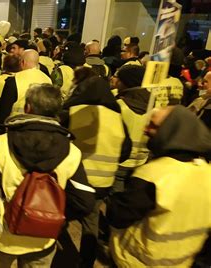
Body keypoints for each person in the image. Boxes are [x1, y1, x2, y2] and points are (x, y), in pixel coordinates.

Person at [0, 83, 95, 268]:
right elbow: (85, 201)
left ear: (28, 107)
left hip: (3, 233)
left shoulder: (2, 143)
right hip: (44, 235)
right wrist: (56, 213)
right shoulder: (72, 151)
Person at [106, 105, 211, 267]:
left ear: (172, 131)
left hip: (136, 261)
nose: (146, 130)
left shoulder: (154, 174)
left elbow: (118, 216)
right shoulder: (206, 173)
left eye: (154, 126)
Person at [60, 75, 131, 267]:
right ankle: (87, 261)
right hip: (102, 183)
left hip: (73, 179)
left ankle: (54, 254)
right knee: (91, 222)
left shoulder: (73, 111)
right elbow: (126, 151)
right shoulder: (117, 117)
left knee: (60, 214)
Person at [0, 49, 52, 128]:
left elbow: (4, 110)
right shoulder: (48, 80)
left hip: (17, 128)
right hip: (41, 127)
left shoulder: (14, 80)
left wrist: (0, 127)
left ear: (22, 62)